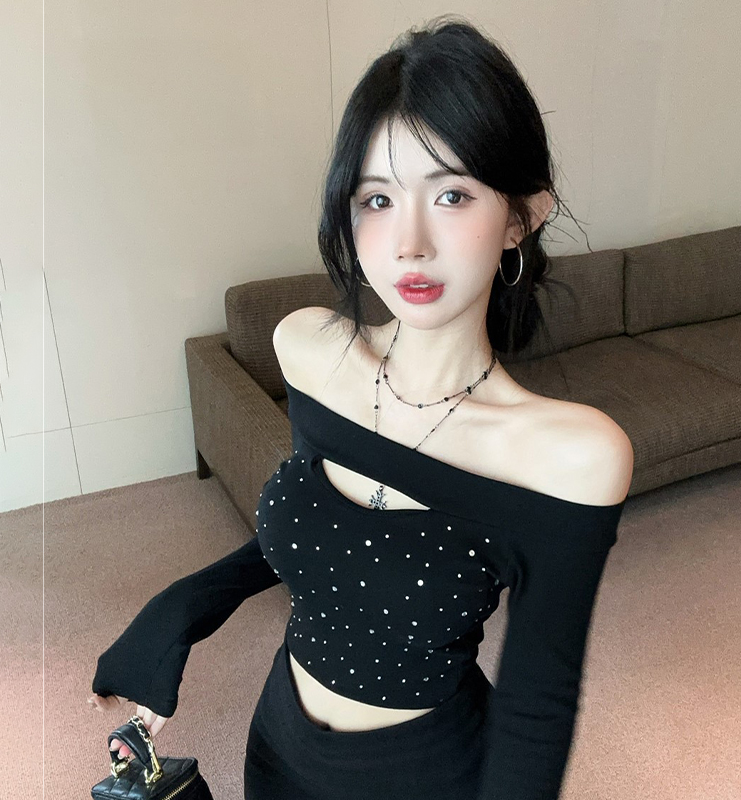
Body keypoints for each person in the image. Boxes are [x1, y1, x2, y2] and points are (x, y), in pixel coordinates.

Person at [88, 14, 633, 799]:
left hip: (428, 775)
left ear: (521, 216)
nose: (409, 242)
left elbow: (535, 709)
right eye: (378, 198)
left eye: (452, 194)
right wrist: (178, 613)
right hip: (277, 747)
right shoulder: (312, 352)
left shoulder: (569, 456)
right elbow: (332, 535)